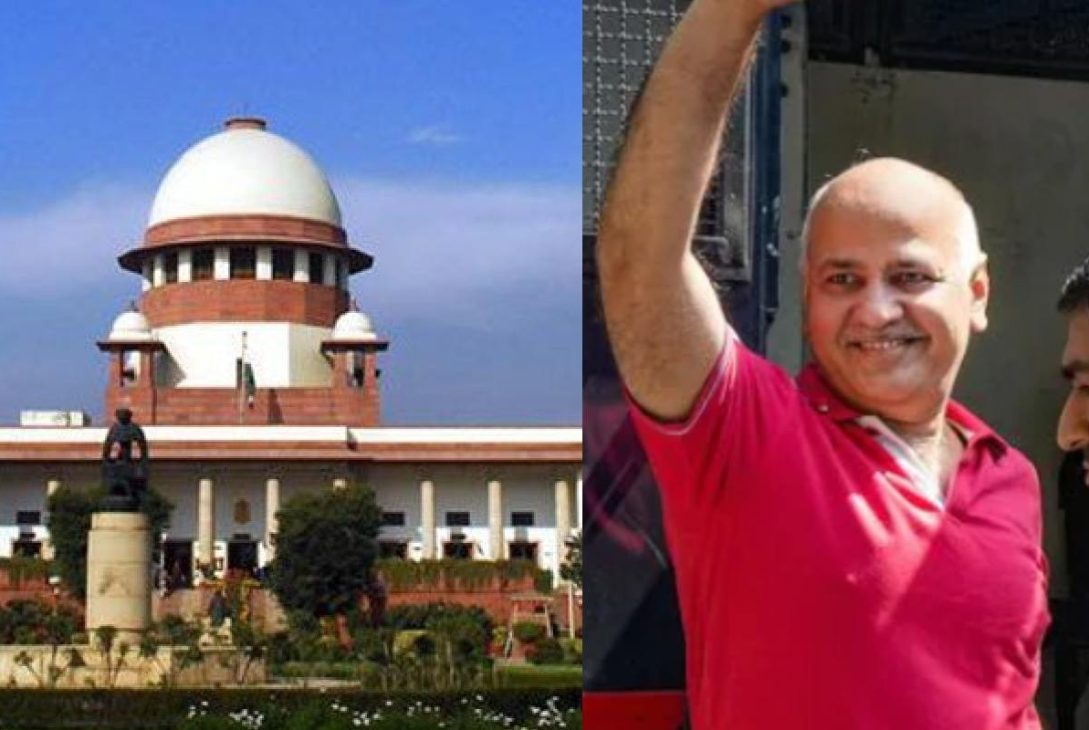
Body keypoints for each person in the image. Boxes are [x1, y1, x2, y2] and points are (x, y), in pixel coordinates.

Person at [595, 0, 1050, 727]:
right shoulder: (744, 435)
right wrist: (730, 13)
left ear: (976, 293)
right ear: (806, 298)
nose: (874, 311)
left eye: (909, 277)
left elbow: (1006, 694)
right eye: (841, 280)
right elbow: (639, 264)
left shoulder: (1010, 475)